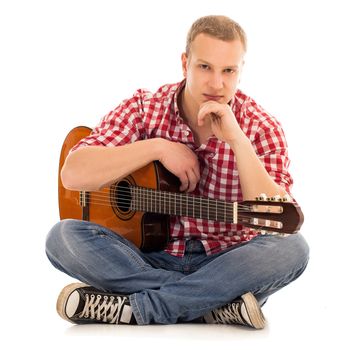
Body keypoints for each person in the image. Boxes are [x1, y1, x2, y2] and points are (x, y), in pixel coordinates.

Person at [46, 15, 309, 329]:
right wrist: (156, 147)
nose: (216, 83)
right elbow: (73, 174)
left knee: (292, 248)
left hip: (228, 261)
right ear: (185, 63)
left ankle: (136, 307)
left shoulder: (260, 126)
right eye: (204, 67)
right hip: (147, 259)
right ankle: (214, 305)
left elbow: (277, 219)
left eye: (229, 71)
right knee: (62, 237)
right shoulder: (144, 108)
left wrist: (238, 140)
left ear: (241, 70)